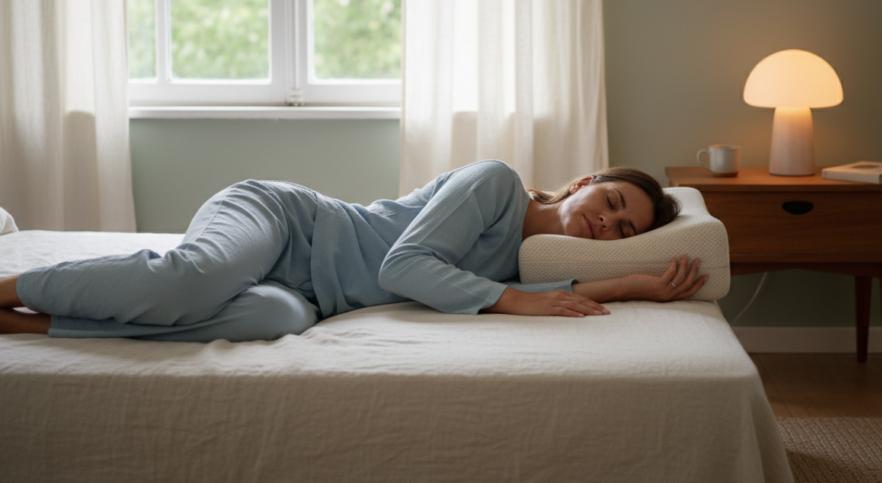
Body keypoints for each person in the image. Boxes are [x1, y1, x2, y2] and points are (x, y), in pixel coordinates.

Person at [0, 160, 706, 342]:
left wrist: (639, 283)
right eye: (609, 204)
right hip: (287, 222)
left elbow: (560, 295)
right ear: (585, 183)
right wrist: (514, 299)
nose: (603, 226)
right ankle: (12, 284)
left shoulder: (537, 262)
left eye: (622, 231)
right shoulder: (497, 185)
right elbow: (403, 267)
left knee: (268, 322)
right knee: (196, 277)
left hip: (309, 297)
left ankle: (41, 325)